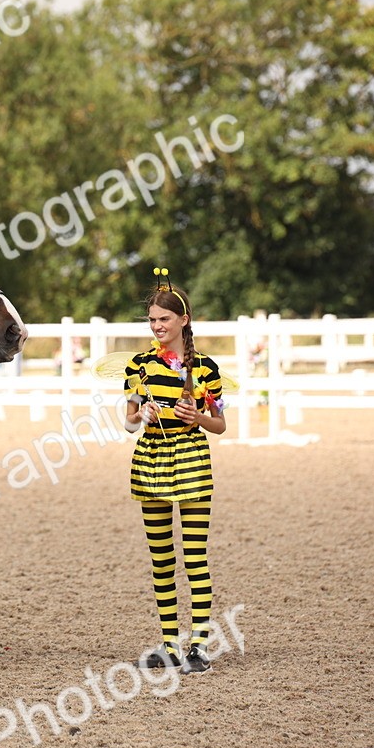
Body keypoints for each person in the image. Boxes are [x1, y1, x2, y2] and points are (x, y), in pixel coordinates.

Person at [123, 268, 226, 675]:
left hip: (192, 462)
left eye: (164, 319)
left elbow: (221, 425)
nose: (157, 326)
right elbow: (128, 422)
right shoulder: (139, 366)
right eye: (151, 319)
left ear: (183, 320)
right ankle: (168, 644)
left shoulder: (205, 369)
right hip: (150, 461)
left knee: (195, 557)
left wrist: (198, 416)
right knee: (161, 558)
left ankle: (198, 645)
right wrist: (142, 414)